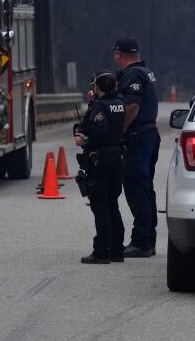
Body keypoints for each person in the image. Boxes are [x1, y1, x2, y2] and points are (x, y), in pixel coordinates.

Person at [113, 36, 160, 258]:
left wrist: (119, 130)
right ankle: (148, 239)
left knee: (136, 187)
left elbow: (132, 105)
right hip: (148, 135)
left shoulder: (132, 75)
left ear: (119, 55)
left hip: (138, 137)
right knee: (145, 187)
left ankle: (141, 241)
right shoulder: (146, 71)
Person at [74, 71, 127, 264]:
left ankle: (102, 250)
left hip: (101, 159)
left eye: (95, 85)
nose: (92, 88)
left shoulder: (99, 106)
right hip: (116, 158)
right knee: (112, 203)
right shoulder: (119, 103)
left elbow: (101, 131)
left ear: (99, 88)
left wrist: (85, 139)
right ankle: (117, 249)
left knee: (100, 204)